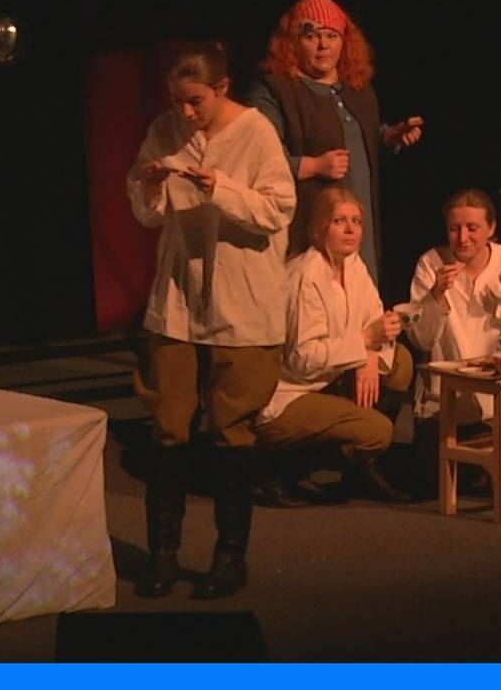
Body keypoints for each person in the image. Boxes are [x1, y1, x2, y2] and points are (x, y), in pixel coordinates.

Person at [127, 40, 296, 600]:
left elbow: (278, 209)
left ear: (222, 89)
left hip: (242, 298)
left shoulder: (256, 132)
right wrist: (153, 184)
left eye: (195, 101)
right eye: (177, 100)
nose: (185, 112)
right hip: (181, 296)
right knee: (169, 426)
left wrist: (220, 187)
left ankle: (230, 557)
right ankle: (163, 554)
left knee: (231, 431)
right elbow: (145, 209)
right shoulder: (166, 129)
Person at [252, 185, 417, 504]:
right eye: (339, 221)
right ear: (319, 228)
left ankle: (361, 468)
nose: (350, 229)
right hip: (289, 393)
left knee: (402, 362)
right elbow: (303, 359)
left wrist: (370, 353)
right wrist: (364, 342)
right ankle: (277, 463)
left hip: (328, 379)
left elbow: (374, 321)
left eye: (356, 221)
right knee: (378, 432)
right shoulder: (306, 276)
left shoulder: (353, 265)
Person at [248, 0, 423, 284]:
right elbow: (259, 157)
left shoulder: (358, 91)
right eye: (312, 36)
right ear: (293, 43)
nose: (323, 45)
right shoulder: (275, 91)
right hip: (309, 229)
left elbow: (361, 146)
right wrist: (312, 166)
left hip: (358, 228)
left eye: (332, 36)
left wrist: (389, 138)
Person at [406, 189, 501, 487]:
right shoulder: (431, 263)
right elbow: (421, 340)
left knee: (492, 481)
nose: (463, 238)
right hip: (444, 401)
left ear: (491, 229)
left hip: (496, 403)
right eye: (454, 229)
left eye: (472, 228)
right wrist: (435, 296)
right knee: (432, 482)